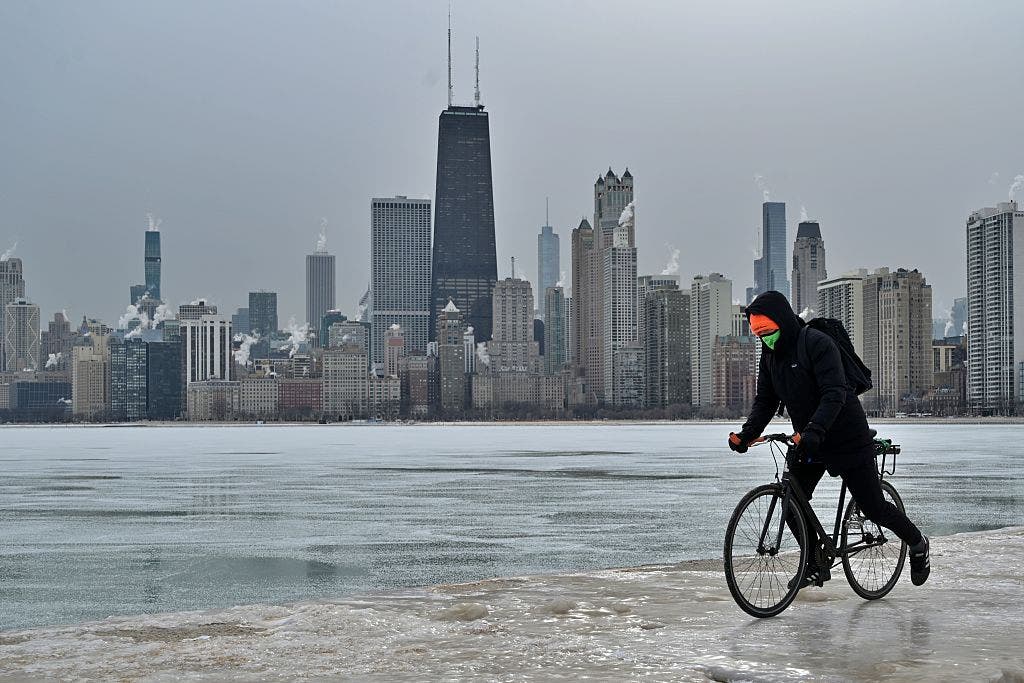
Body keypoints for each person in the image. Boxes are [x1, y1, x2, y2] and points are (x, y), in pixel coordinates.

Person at [728, 290, 930, 587]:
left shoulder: (816, 343)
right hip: (810, 440)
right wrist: (747, 435)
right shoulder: (770, 359)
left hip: (846, 436)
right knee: (791, 504)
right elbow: (765, 401)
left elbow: (834, 393)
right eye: (759, 334)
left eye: (768, 332)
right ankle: (813, 561)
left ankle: (917, 543)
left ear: (782, 322)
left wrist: (814, 430)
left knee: (873, 507)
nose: (765, 339)